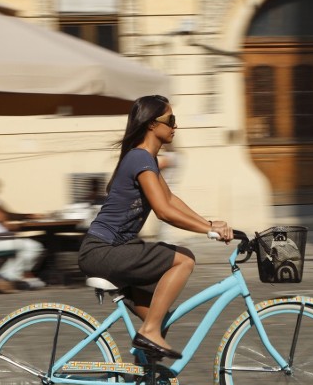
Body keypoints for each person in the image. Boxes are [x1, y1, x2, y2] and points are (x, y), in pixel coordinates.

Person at [78, 95, 232, 360]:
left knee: (160, 319)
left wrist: (209, 223)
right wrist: (207, 230)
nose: (175, 126)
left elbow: (171, 200)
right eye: (170, 120)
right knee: (184, 259)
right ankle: (148, 332)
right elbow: (163, 211)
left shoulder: (144, 159)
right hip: (103, 250)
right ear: (151, 124)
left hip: (113, 249)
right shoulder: (140, 158)